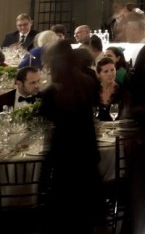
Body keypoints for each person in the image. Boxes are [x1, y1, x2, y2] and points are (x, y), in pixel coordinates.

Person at [39, 41, 101, 229]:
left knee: (63, 216)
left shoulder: (53, 92)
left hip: (64, 156)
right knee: (84, 215)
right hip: (87, 153)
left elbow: (44, 120)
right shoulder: (88, 82)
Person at [95, 56, 122, 121]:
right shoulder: (94, 90)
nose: (110, 74)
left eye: (112, 70)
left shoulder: (122, 90)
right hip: (98, 128)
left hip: (117, 128)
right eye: (106, 71)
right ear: (98, 74)